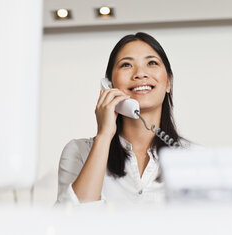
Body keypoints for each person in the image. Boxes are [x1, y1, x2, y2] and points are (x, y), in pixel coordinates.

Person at [56, 32, 185, 206]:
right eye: (126, 65)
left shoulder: (193, 157)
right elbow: (69, 222)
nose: (140, 74)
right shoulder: (78, 152)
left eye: (152, 63)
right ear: (109, 85)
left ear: (168, 82)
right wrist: (104, 136)